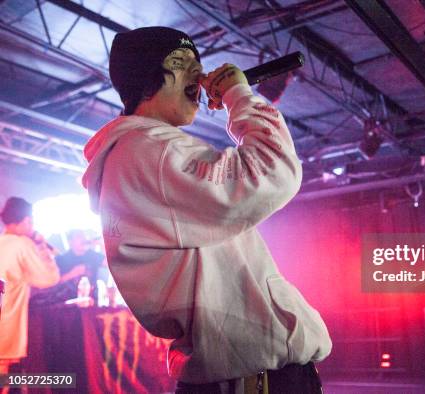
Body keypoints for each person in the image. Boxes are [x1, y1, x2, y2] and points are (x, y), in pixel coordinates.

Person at [82, 27, 331, 393]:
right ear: (144, 79)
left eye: (198, 65)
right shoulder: (148, 149)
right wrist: (237, 95)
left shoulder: (143, 152)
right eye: (179, 63)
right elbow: (272, 168)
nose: (197, 75)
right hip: (250, 381)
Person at [0, 197, 60, 375]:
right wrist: (41, 244)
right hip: (5, 325)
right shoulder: (21, 244)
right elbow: (49, 278)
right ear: (26, 221)